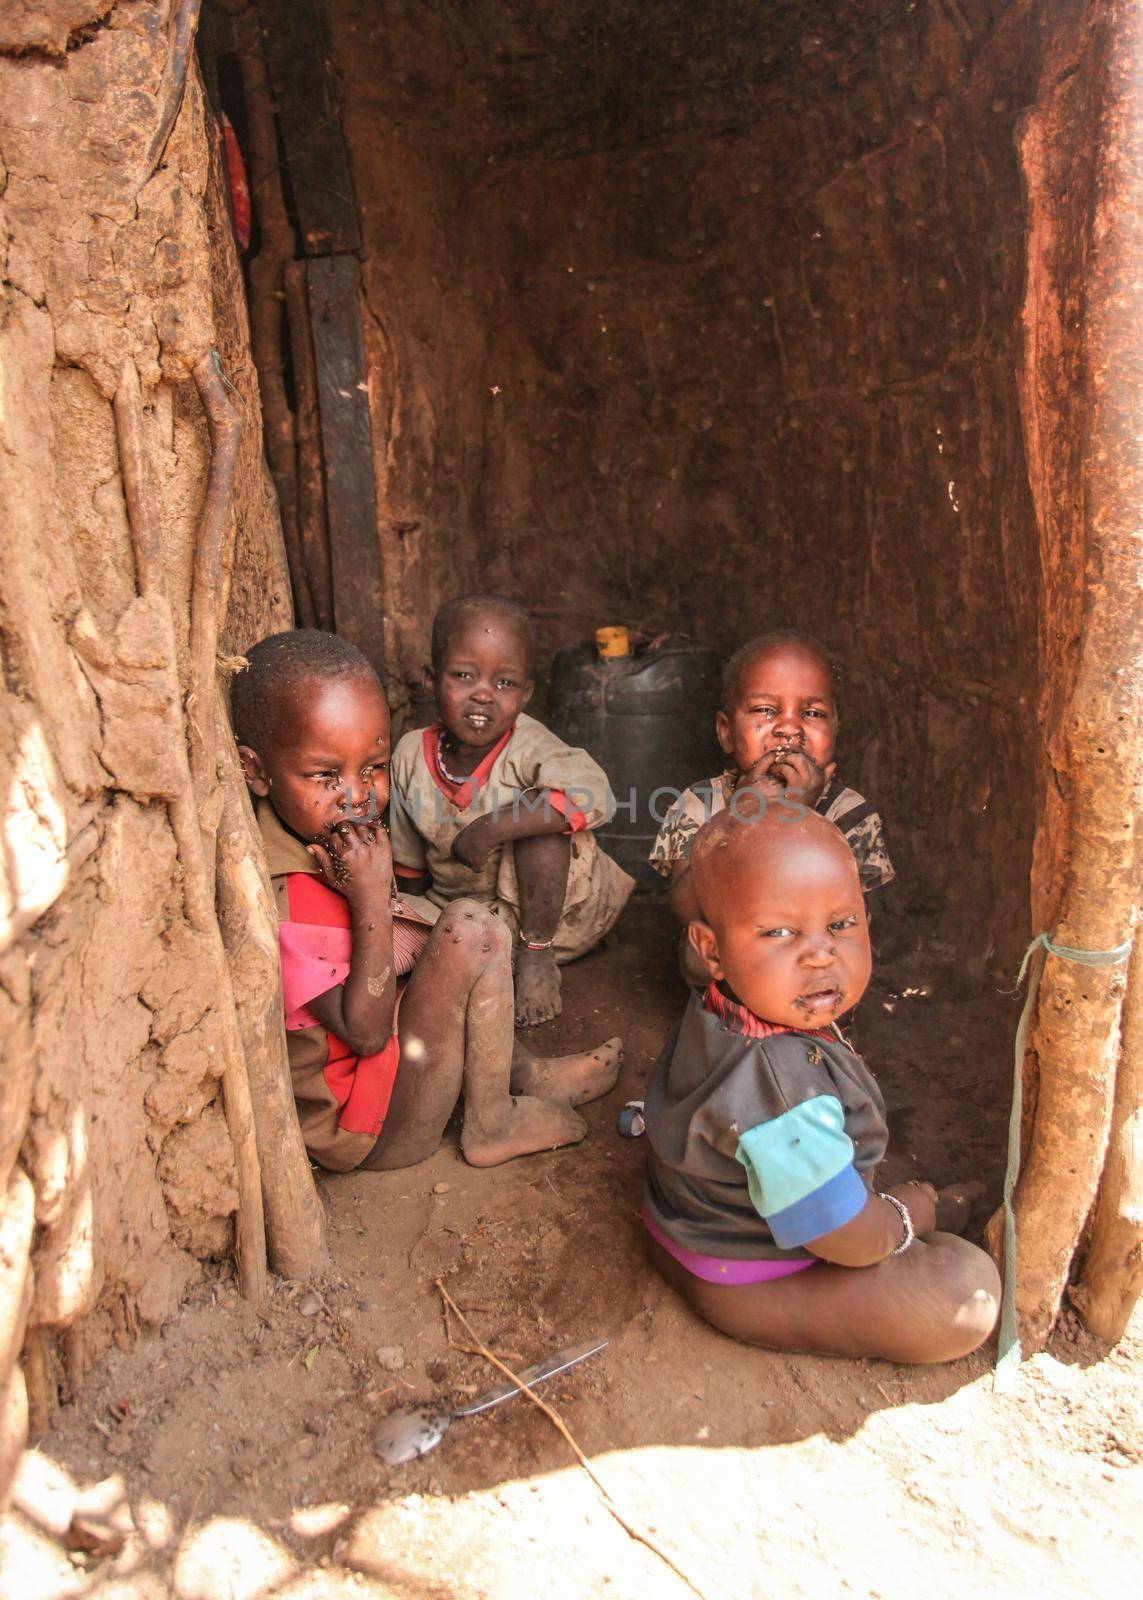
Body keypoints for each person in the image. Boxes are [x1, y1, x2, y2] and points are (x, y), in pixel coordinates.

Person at [232, 629, 622, 1174]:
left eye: (372, 767)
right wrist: (371, 896)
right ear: (255, 771)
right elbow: (365, 1032)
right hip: (374, 1132)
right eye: (325, 775)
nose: (358, 795)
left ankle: (519, 1074)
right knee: (470, 929)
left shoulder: (318, 838)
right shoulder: (287, 899)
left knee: (446, 936)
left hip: (389, 1082)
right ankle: (490, 1120)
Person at [642, 797, 999, 1363]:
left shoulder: (729, 1002)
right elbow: (851, 1241)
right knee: (962, 1297)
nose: (820, 955)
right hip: (742, 1276)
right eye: (781, 931)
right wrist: (912, 1215)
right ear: (711, 949)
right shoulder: (785, 1098)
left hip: (686, 1218)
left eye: (841, 924)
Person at [388, 593, 634, 1027]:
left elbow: (594, 793)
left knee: (538, 816)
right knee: (386, 951)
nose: (483, 695)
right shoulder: (409, 754)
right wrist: (405, 920)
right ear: (431, 680)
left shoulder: (529, 744)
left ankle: (536, 961)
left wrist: (490, 829)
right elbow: (408, 867)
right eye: (464, 676)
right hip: (462, 916)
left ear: (525, 695)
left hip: (555, 921)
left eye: (504, 684)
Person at [649, 631, 892, 982]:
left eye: (812, 712)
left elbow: (847, 922)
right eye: (765, 710)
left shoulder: (850, 813)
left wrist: (797, 816)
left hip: (815, 970)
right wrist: (743, 816)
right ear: (726, 731)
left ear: (837, 729)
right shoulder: (700, 804)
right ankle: (725, 1027)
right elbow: (688, 907)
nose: (789, 729)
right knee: (696, 954)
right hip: (730, 975)